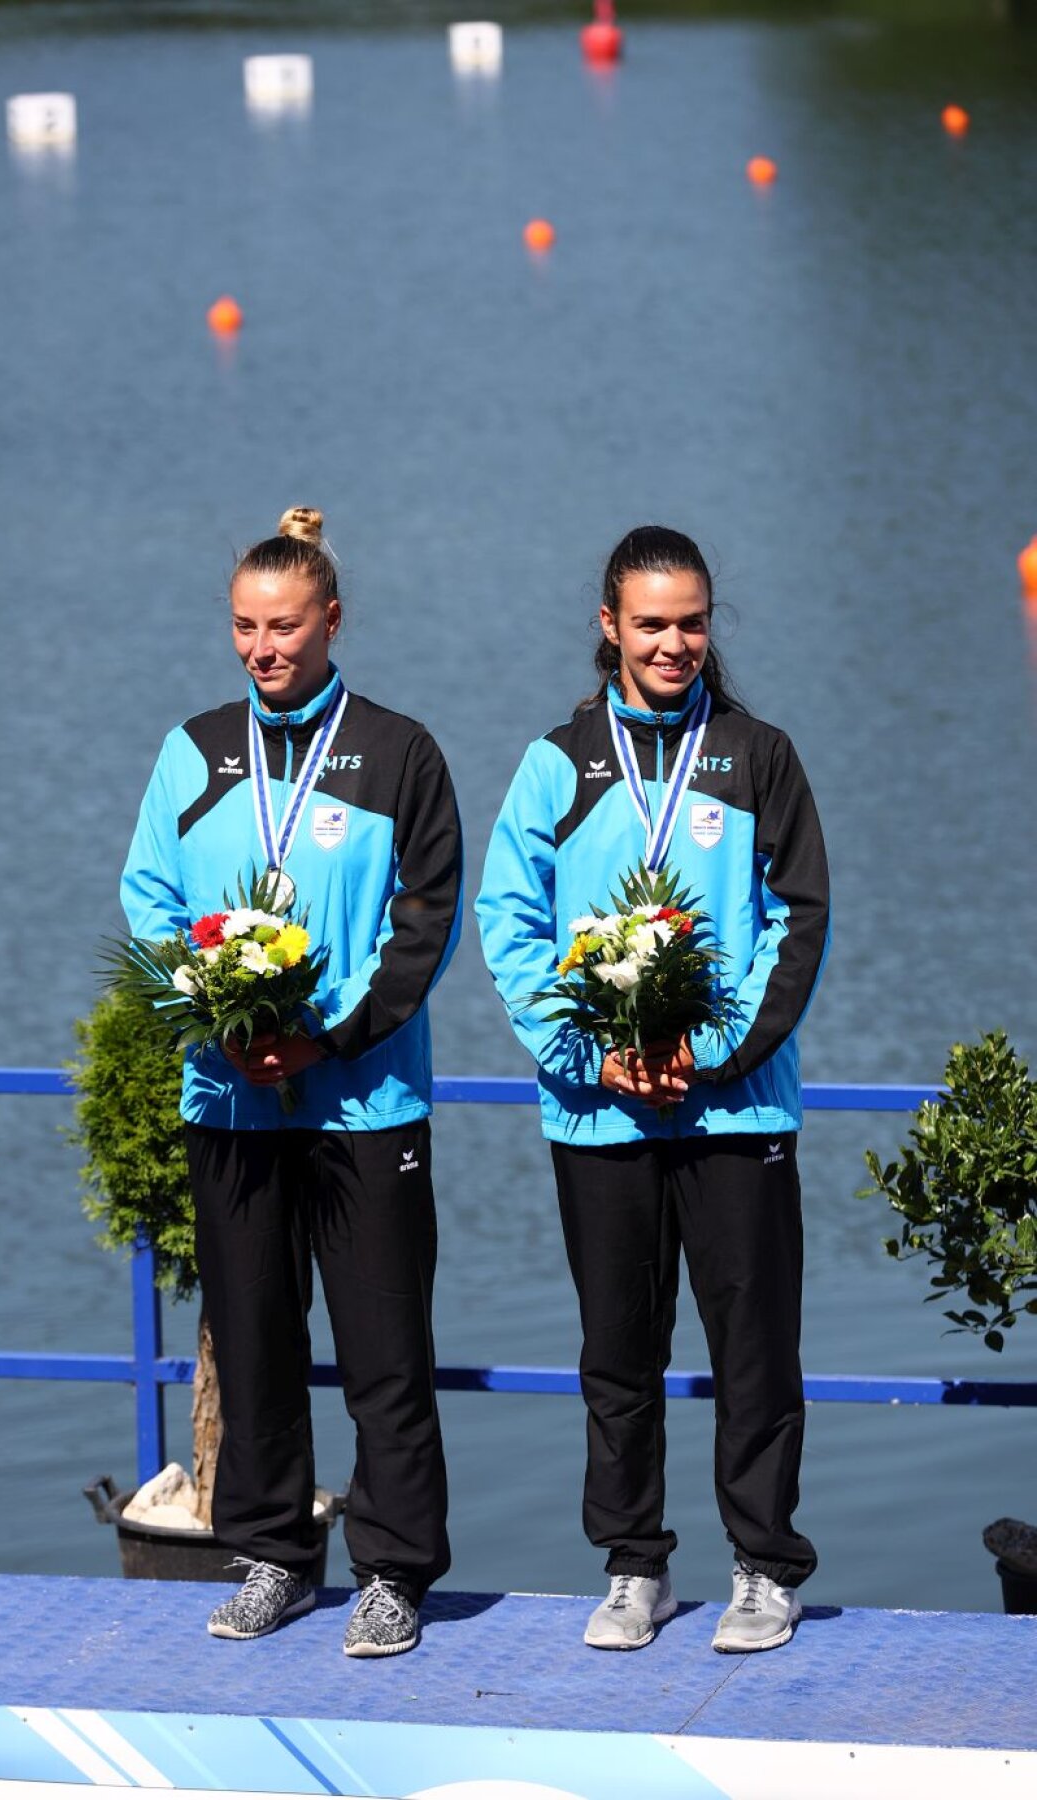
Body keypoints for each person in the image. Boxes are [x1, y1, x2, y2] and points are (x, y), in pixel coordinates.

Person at [475, 525, 829, 1655]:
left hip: (736, 1110)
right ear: (609, 628)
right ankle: (636, 1568)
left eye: (692, 622)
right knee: (618, 1348)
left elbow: (798, 917)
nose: (673, 643)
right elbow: (508, 922)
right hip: (599, 1109)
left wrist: (717, 1052)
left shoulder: (757, 753)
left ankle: (766, 1569)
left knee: (755, 1349)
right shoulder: (557, 764)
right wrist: (591, 1052)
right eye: (651, 624)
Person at [121, 507, 462, 1658]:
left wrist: (326, 1032)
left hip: (362, 1101)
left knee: (383, 1346)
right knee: (255, 1336)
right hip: (229, 1096)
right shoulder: (193, 748)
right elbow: (150, 902)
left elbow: (426, 920)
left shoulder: (398, 750)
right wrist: (215, 1020)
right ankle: (271, 1554)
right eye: (245, 628)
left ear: (332, 621)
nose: (264, 649)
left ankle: (393, 1574)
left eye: (285, 626)